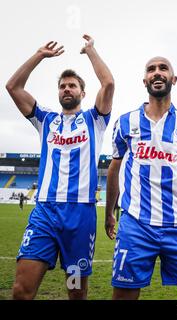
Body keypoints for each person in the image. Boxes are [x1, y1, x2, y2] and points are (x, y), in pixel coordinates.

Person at [6, 35, 115, 300]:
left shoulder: (95, 119)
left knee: (76, 292)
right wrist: (39, 55)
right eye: (63, 86)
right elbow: (13, 87)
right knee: (21, 290)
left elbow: (108, 83)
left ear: (82, 92)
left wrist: (90, 51)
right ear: (58, 92)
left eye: (72, 86)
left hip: (80, 216)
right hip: (45, 212)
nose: (67, 89)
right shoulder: (45, 120)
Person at [105, 56, 177, 300]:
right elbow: (114, 169)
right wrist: (109, 213)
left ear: (173, 79)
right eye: (151, 69)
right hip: (136, 224)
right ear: (144, 80)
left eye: (163, 68)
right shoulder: (125, 122)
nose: (157, 73)